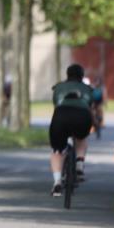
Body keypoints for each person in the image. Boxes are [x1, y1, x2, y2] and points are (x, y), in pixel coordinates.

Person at [48, 64, 95, 196]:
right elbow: (90, 106)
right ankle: (79, 164)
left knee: (57, 150)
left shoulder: (58, 87)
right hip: (82, 116)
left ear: (67, 74)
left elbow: (56, 103)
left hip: (61, 116)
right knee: (82, 136)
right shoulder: (87, 89)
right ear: (82, 76)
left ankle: (57, 183)